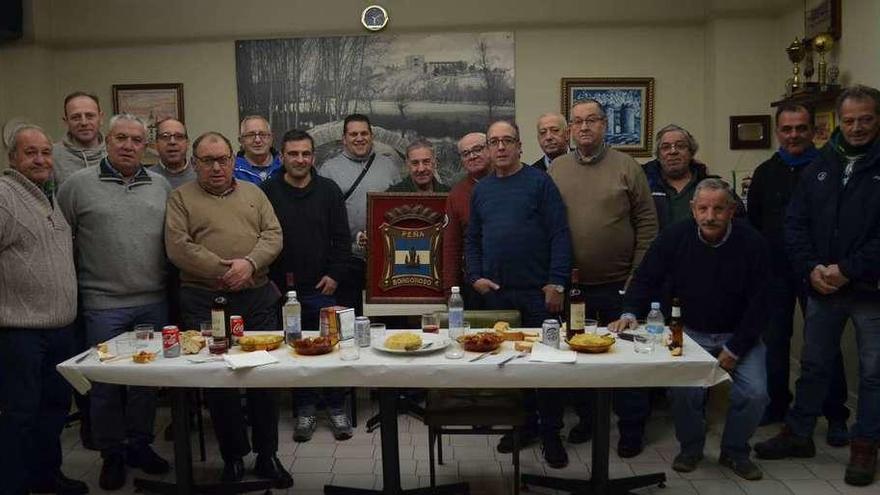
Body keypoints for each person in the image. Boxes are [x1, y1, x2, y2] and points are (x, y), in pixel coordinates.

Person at [755, 84, 880, 487]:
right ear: (837, 123)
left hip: (868, 289)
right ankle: (801, 432)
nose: (857, 127)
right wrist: (811, 268)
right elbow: (795, 224)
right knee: (813, 364)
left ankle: (865, 443)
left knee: (873, 372)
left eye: (865, 119)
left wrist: (847, 269)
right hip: (821, 285)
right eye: (849, 120)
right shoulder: (822, 165)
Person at [609, 178, 770, 481]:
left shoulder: (752, 243)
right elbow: (645, 277)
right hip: (689, 332)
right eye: (704, 209)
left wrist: (735, 349)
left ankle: (735, 451)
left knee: (756, 393)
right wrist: (629, 312)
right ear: (693, 210)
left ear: (732, 210)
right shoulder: (675, 236)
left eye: (719, 209)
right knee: (683, 391)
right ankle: (691, 448)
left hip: (739, 335)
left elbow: (762, 304)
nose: (710, 216)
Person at [165, 131, 291, 488]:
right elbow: (178, 247)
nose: (217, 167)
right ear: (195, 163)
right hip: (206, 300)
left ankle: (267, 455)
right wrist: (225, 270)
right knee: (219, 380)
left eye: (223, 159)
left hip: (256, 297)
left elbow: (274, 236)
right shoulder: (180, 198)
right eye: (208, 160)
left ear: (232, 160)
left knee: (263, 377)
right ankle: (233, 456)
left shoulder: (255, 194)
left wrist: (248, 265)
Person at [57, 114, 172, 491]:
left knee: (145, 383)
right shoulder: (77, 186)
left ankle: (139, 445)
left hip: (152, 300)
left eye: (136, 140)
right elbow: (61, 241)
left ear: (145, 146)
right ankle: (112, 454)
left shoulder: (160, 185)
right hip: (102, 302)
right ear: (107, 140)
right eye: (120, 138)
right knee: (105, 385)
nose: (128, 146)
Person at [548, 99, 658, 457]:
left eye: (591, 120)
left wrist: (635, 280)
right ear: (569, 130)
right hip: (573, 289)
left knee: (626, 361)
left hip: (619, 286)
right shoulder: (558, 168)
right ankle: (587, 420)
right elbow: (546, 226)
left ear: (604, 124)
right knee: (577, 360)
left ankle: (631, 428)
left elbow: (647, 225)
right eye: (577, 122)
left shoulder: (628, 167)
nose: (584, 127)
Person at [465, 119, 572, 468]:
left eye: (506, 141)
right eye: (493, 142)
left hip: (539, 295)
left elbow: (559, 234)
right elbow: (473, 239)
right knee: (511, 366)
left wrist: (556, 282)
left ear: (519, 145)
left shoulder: (540, 183)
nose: (499, 148)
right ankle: (524, 426)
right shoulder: (481, 190)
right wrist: (475, 276)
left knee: (547, 366)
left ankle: (552, 432)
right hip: (497, 296)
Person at [747, 104, 850, 443]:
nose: (793, 135)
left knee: (823, 347)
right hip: (774, 273)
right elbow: (755, 224)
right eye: (787, 129)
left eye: (801, 128)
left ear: (813, 131)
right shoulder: (765, 172)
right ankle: (777, 405)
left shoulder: (832, 169)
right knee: (774, 343)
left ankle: (835, 414)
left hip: (820, 273)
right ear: (778, 132)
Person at [0, 125, 88, 495]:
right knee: (19, 415)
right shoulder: (5, 196)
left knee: (52, 410)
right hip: (20, 330)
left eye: (45, 152)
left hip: (58, 328)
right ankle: (14, 485)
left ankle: (45, 476)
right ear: (12, 159)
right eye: (30, 153)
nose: (40, 160)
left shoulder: (46, 195)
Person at [261, 129, 353, 443]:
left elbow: (342, 240)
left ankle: (337, 407)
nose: (300, 160)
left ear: (313, 157)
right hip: (283, 293)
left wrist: (336, 275)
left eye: (305, 154)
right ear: (281, 157)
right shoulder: (267, 191)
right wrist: (271, 284)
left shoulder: (328, 190)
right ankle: (305, 409)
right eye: (293, 154)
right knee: (297, 353)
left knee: (331, 349)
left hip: (323, 288)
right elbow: (260, 239)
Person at [319, 114, 400, 314]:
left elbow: (400, 208)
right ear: (344, 138)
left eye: (364, 133)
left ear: (371, 136)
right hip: (348, 259)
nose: (359, 138)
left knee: (388, 316)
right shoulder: (329, 169)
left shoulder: (388, 166)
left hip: (386, 258)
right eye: (353, 134)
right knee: (350, 316)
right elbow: (322, 218)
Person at [643, 124, 743, 229]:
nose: (673, 152)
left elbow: (740, 224)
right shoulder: (644, 185)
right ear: (658, 155)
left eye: (680, 146)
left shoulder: (715, 187)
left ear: (691, 152)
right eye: (665, 147)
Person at [442, 132, 490, 307]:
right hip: (474, 285)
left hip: (514, 283)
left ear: (491, 149)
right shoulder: (457, 194)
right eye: (466, 153)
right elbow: (451, 247)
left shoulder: (511, 182)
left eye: (478, 149)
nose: (472, 156)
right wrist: (450, 291)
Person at [52, 91, 106, 186]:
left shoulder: (116, 153)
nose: (84, 122)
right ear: (66, 121)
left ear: (101, 118)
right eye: (76, 117)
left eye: (90, 116)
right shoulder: (51, 156)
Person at [233, 115, 282, 184]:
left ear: (271, 139)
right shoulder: (232, 169)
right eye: (251, 135)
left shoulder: (284, 165)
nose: (257, 140)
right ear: (241, 141)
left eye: (262, 134)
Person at [151, 118, 196, 188]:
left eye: (179, 136)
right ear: (156, 144)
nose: (172, 142)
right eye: (165, 136)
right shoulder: (146, 179)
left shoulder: (201, 175)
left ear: (187, 143)